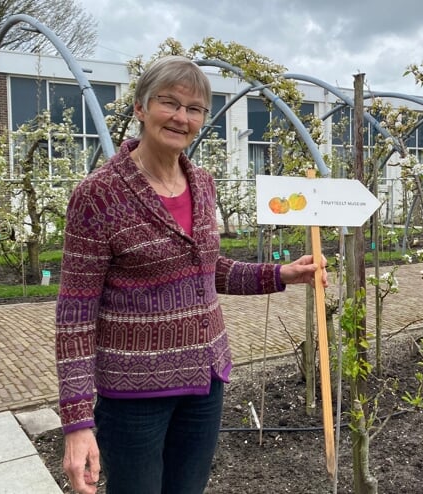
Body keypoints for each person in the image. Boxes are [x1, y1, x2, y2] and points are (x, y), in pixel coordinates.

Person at [55, 55, 327, 494]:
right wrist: (76, 422)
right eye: (169, 103)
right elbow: (74, 316)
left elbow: (204, 269)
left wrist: (280, 274)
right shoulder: (98, 196)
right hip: (134, 397)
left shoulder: (201, 182)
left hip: (206, 383)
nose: (182, 117)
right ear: (141, 108)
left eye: (195, 108)